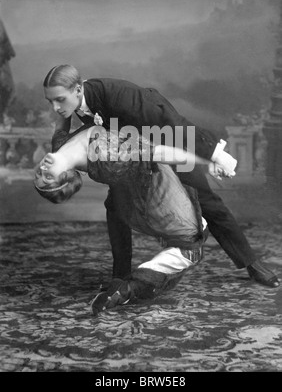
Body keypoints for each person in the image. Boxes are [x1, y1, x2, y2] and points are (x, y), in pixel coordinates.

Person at [42, 64, 280, 289]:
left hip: (167, 142)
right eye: (50, 101)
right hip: (132, 156)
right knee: (116, 207)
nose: (56, 108)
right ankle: (120, 276)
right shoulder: (73, 101)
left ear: (79, 89)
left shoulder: (119, 96)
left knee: (208, 203)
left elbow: (173, 124)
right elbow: (65, 126)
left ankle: (252, 263)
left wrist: (214, 155)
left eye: (60, 100)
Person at [34, 125, 211, 315]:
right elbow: (154, 152)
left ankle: (122, 278)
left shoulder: (59, 144)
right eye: (48, 177)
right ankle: (129, 288)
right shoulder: (105, 157)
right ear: (65, 176)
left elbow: (67, 110)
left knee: (116, 205)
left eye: (39, 175)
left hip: (136, 183)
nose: (42, 169)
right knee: (192, 245)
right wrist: (210, 160)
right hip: (153, 189)